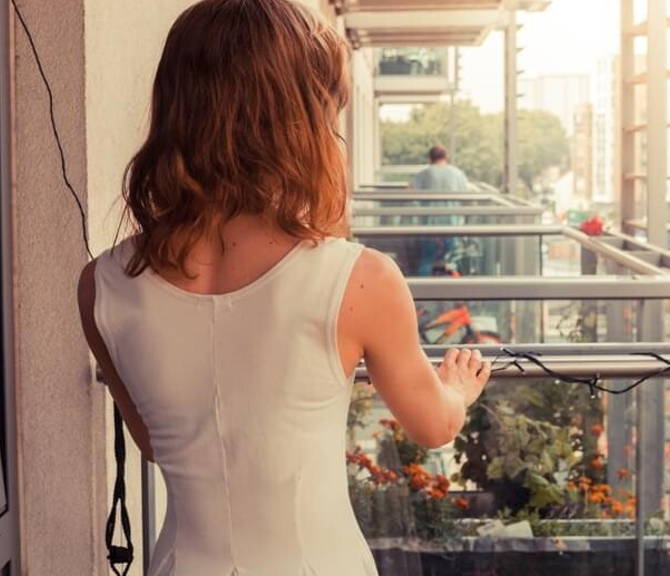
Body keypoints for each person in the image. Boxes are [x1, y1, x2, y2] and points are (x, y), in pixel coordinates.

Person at [75, 2, 492, 575]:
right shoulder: (359, 277)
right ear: (299, 120)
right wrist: (457, 388)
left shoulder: (101, 285)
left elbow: (157, 440)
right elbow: (433, 424)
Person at [409, 145, 469, 275]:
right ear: (446, 157)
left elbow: (411, 193)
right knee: (452, 261)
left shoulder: (424, 174)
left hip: (429, 226)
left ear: (430, 158)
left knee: (427, 260)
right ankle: (454, 286)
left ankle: (423, 286)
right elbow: (466, 198)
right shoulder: (457, 174)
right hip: (452, 225)